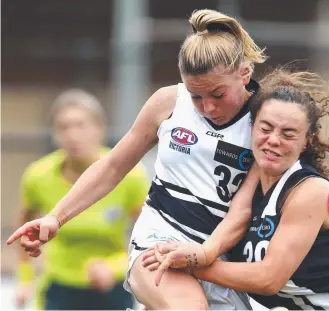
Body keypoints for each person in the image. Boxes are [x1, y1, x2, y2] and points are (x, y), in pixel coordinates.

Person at [7, 9, 268, 310]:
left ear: (244, 74)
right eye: (197, 96)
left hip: (224, 255)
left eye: (217, 95)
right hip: (160, 239)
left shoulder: (266, 120)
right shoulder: (169, 103)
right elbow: (113, 165)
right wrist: (57, 217)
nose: (207, 107)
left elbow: (258, 203)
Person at [142, 67, 329, 310]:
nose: (274, 140)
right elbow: (231, 227)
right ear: (251, 128)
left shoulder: (309, 190)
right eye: (266, 128)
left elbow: (268, 279)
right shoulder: (248, 189)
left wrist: (190, 264)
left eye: (288, 134)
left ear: (307, 142)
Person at [14, 89, 150, 310]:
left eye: (80, 125)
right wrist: (25, 280)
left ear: (100, 128)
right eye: (63, 127)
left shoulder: (130, 175)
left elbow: (152, 237)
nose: (72, 135)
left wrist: (114, 267)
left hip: (111, 289)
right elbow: (23, 231)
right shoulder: (37, 175)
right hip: (58, 289)